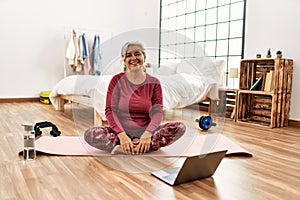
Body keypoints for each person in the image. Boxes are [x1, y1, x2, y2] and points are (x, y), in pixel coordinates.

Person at [84, 41, 186, 154]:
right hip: (120, 132)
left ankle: (130, 147)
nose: (133, 58)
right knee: (90, 134)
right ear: (124, 59)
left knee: (180, 127)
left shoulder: (154, 82)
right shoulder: (116, 80)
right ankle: (134, 146)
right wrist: (122, 135)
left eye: (137, 54)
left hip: (146, 132)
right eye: (128, 55)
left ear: (144, 57)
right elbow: (110, 111)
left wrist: (147, 135)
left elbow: (158, 112)